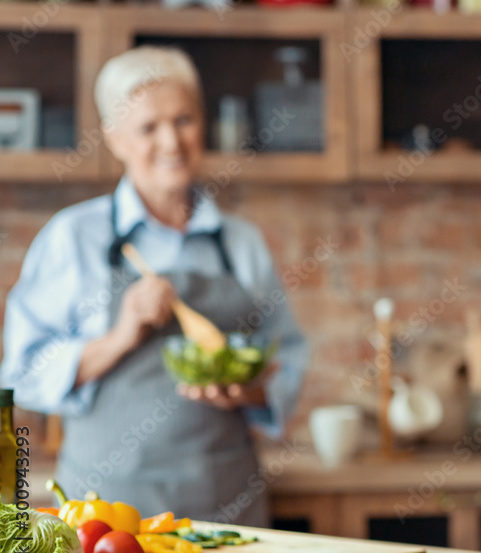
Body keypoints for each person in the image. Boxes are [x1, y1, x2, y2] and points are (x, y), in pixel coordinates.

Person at [0, 47, 307, 526]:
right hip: (107, 513)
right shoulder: (75, 237)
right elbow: (22, 372)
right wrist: (121, 334)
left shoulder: (240, 242)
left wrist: (248, 392)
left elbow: (286, 354)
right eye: (148, 127)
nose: (172, 141)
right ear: (114, 139)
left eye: (184, 119)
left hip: (227, 505)